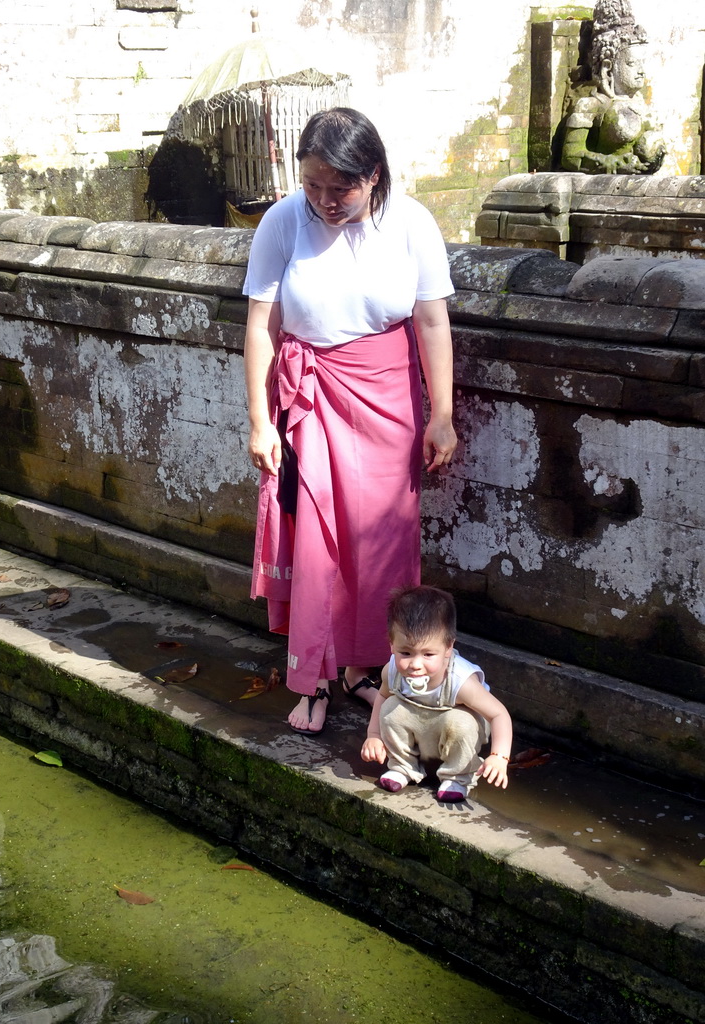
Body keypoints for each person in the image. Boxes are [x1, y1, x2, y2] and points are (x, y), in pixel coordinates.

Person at [243, 107, 457, 736]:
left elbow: (432, 323)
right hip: (309, 398)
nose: (324, 201)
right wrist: (260, 421)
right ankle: (310, 674)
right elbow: (261, 326)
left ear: (374, 175)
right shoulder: (283, 221)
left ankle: (367, 668)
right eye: (312, 186)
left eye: (340, 188)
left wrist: (441, 415)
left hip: (389, 397)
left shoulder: (412, 222)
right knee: (315, 540)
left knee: (385, 544)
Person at [361, 586, 512, 802]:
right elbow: (383, 696)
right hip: (419, 726)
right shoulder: (392, 669)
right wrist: (373, 735)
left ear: (448, 648)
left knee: (461, 722)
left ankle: (458, 776)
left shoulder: (461, 681)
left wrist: (499, 756)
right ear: (392, 644)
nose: (415, 664)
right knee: (390, 708)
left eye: (428, 654)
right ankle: (404, 767)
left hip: (452, 730)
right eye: (406, 653)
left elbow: (499, 714)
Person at [556, 0, 665, 174]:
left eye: (643, 63)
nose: (641, 71)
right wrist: (610, 163)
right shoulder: (590, 106)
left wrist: (654, 157)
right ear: (608, 68)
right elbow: (570, 156)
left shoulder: (641, 106)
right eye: (631, 63)